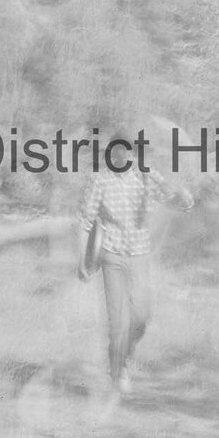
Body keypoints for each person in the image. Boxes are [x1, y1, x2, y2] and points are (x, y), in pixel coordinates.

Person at [76, 125, 193, 395]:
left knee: (141, 316)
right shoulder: (100, 179)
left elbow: (171, 198)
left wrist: (183, 199)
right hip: (112, 256)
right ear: (110, 154)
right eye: (116, 151)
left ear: (133, 153)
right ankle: (118, 371)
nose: (122, 156)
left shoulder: (146, 176)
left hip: (139, 254)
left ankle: (122, 357)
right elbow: (86, 220)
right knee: (117, 321)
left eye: (127, 151)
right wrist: (84, 260)